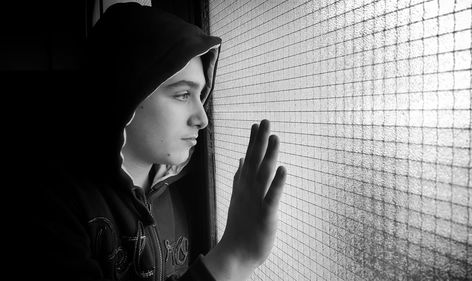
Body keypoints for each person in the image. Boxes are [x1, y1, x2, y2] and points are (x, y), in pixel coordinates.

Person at [23, 2, 286, 281]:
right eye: (183, 94)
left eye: (201, 96)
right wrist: (233, 256)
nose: (202, 118)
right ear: (125, 94)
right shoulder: (51, 207)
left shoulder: (179, 189)